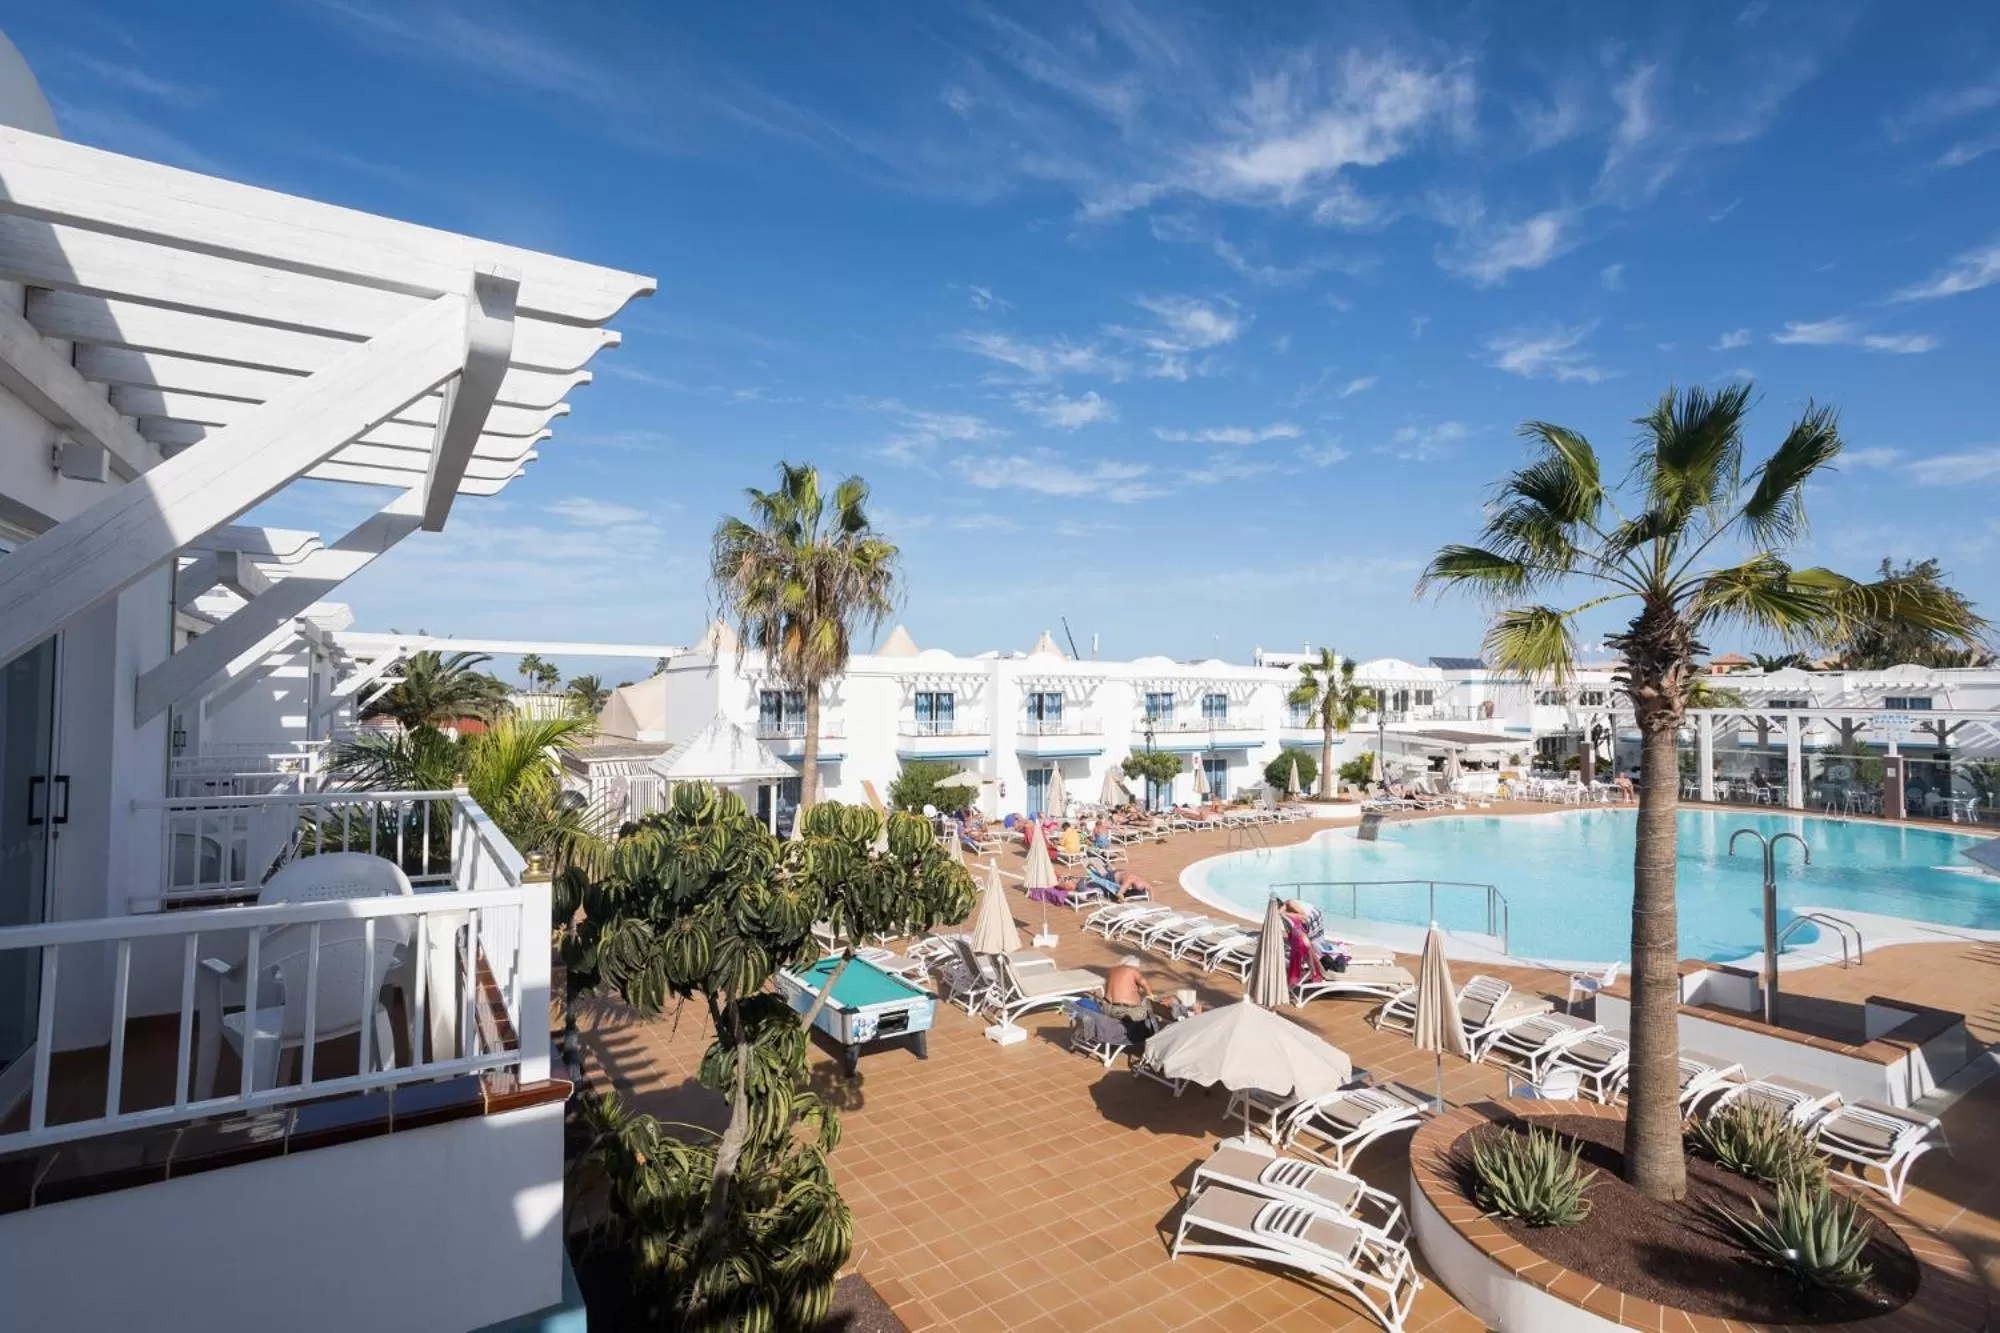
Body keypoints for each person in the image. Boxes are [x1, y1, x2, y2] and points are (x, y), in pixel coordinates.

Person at [1102, 955, 1155, 1021]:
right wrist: (1151, 996)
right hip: (1125, 1011)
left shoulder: (1112, 969)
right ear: (1135, 966)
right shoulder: (1132, 970)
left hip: (1107, 1007)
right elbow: (1146, 985)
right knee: (1148, 1012)